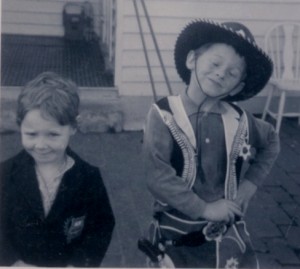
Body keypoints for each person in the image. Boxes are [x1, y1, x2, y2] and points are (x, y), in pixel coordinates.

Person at [142, 19, 280, 268]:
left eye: (232, 73)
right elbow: (157, 176)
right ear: (192, 60)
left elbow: (271, 141)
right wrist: (204, 208)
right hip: (177, 234)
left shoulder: (239, 120)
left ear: (237, 86)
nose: (220, 73)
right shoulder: (163, 114)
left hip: (227, 236)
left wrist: (250, 185)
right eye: (215, 63)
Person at [0, 72, 115, 267]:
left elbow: (101, 226)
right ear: (20, 126)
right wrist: (12, 262)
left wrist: (78, 264)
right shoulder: (4, 173)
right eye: (31, 134)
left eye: (53, 134)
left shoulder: (89, 178)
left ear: (73, 127)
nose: (41, 145)